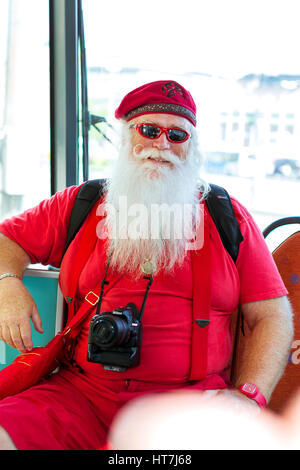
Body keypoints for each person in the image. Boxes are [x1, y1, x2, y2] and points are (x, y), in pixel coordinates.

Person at [0, 80, 294, 450]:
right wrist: (7, 282)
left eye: (177, 135)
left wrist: (249, 396)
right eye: (149, 130)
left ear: (192, 148)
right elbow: (5, 239)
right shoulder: (81, 202)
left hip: (188, 408)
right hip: (78, 396)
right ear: (126, 138)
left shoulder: (228, 216)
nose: (162, 145)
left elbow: (272, 315)